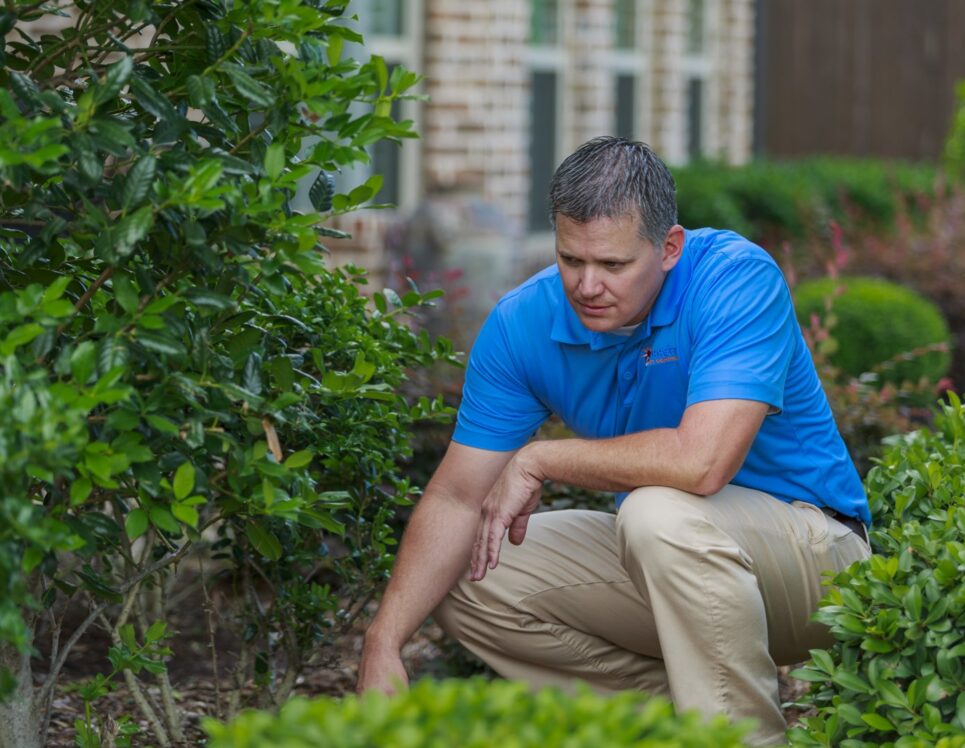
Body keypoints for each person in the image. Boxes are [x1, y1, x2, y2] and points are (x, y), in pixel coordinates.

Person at [356, 136, 871, 746]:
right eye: (571, 260)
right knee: (470, 571)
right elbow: (456, 499)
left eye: (614, 265)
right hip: (680, 564)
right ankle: (673, 721)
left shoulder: (734, 279)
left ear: (670, 248)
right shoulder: (524, 324)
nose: (587, 286)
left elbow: (702, 464)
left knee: (658, 512)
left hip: (816, 559)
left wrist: (542, 456)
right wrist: (383, 641)